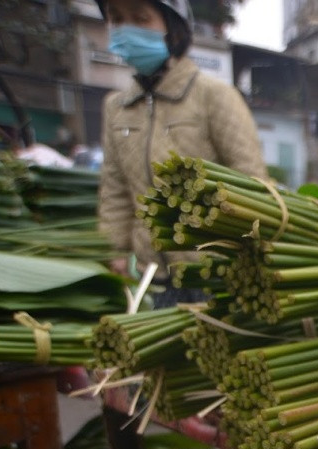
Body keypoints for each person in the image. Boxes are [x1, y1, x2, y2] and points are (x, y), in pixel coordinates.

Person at [97, 0, 267, 305]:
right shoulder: (117, 108)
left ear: (173, 28)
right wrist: (115, 250)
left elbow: (253, 183)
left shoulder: (213, 96)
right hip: (152, 275)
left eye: (140, 18)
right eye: (117, 19)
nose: (127, 29)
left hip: (210, 273)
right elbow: (115, 190)